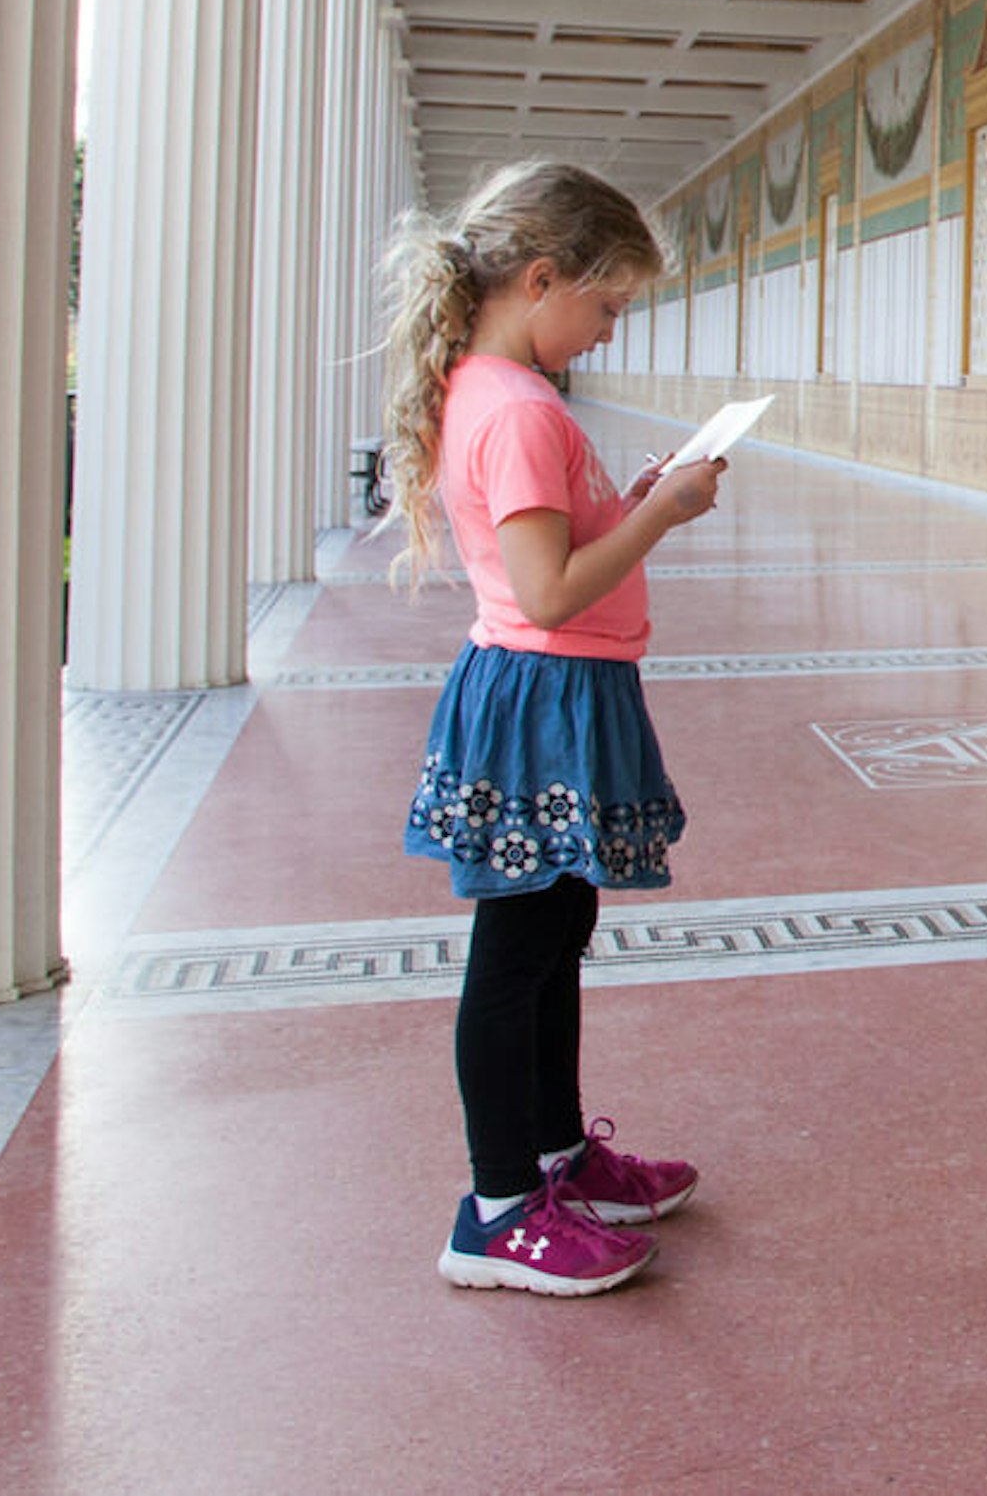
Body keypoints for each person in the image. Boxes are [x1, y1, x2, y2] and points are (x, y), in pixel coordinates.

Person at [379, 161, 727, 1297]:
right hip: (544, 689)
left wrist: (626, 502)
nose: (610, 329)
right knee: (519, 950)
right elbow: (551, 591)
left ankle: (555, 1153)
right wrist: (663, 516)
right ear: (542, 279)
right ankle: (494, 1206)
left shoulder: (492, 391)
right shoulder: (524, 409)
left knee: (554, 923)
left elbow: (554, 558)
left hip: (544, 688)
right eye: (608, 302)